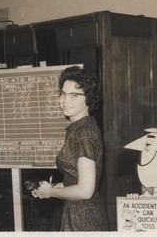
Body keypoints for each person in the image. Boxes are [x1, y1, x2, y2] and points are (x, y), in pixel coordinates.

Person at [32, 66, 109, 231]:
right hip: (78, 215)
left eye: (74, 95)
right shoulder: (79, 127)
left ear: (88, 98)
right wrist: (56, 187)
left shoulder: (84, 132)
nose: (65, 100)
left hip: (83, 221)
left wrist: (51, 193)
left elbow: (85, 190)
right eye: (63, 93)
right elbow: (79, 178)